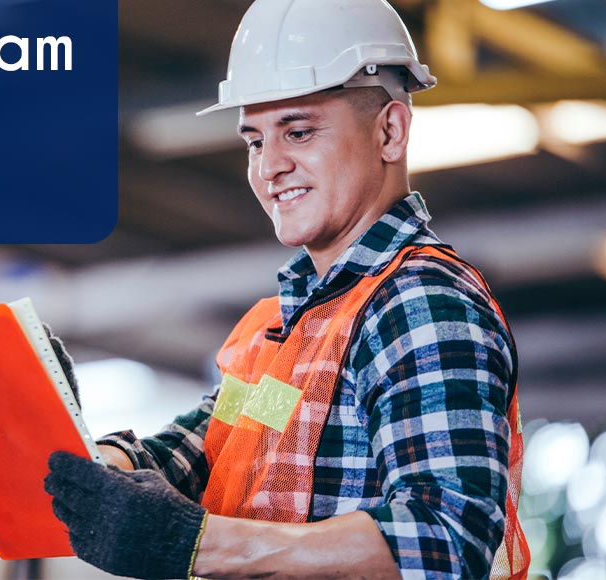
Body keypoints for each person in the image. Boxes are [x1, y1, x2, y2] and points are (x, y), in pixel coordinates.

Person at [44, 0, 529, 578]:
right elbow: (197, 452)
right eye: (254, 141)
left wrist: (204, 545)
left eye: (297, 132)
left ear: (390, 131)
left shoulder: (419, 303)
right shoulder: (285, 330)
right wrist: (74, 458)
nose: (269, 166)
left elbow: (445, 542)